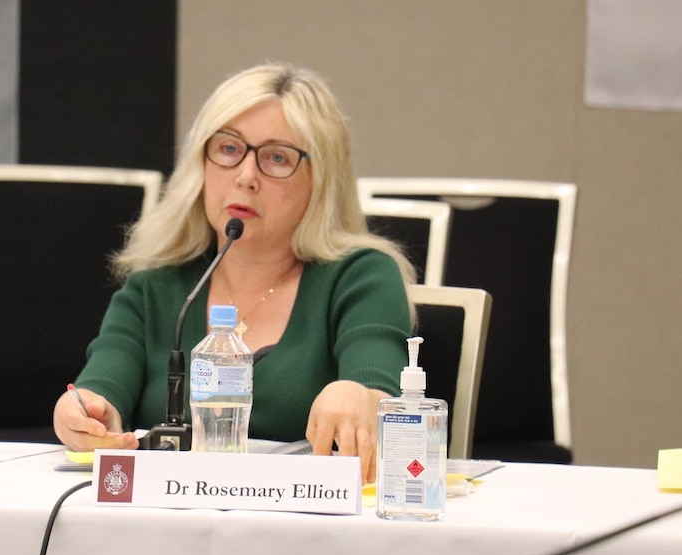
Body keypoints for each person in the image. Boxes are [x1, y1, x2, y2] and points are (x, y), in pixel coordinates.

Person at [53, 62, 415, 483]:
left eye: (277, 158)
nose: (246, 177)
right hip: (167, 521)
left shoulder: (361, 277)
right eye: (228, 149)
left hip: (309, 525)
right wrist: (84, 417)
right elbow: (101, 393)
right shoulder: (155, 286)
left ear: (322, 182)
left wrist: (359, 397)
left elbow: (384, 400)